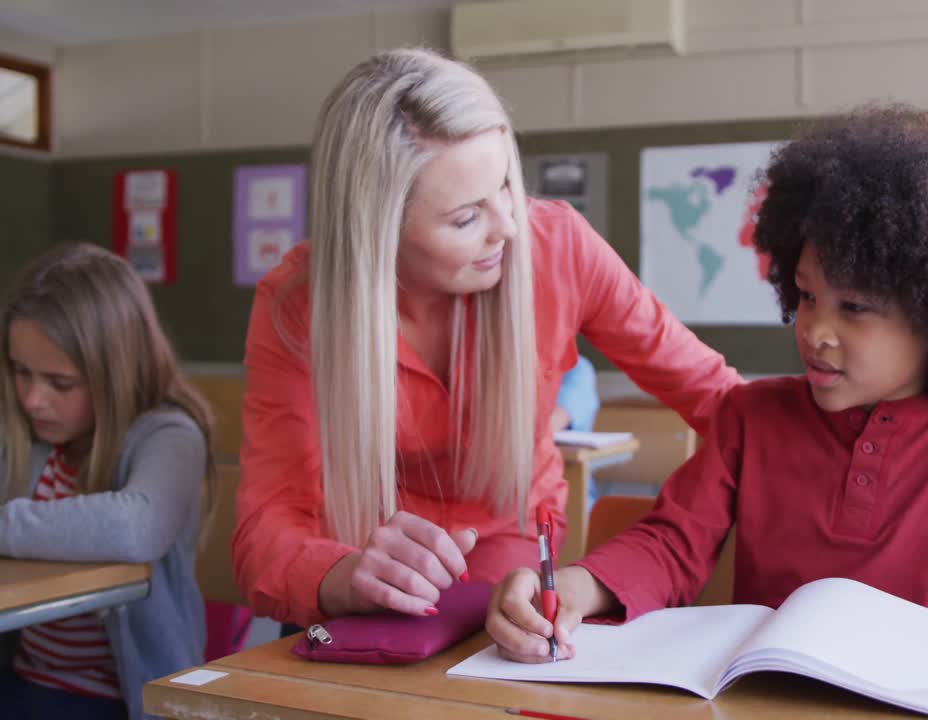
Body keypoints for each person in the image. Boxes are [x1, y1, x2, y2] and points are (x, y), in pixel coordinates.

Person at [485, 105, 928, 720]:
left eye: (855, 308)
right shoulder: (751, 416)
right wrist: (576, 587)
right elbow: (673, 543)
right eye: (809, 296)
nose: (815, 330)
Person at [233, 47, 742, 629]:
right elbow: (266, 529)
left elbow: (719, 398)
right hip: (367, 587)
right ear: (378, 231)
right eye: (465, 217)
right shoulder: (297, 303)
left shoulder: (560, 246)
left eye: (505, 185)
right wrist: (342, 575)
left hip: (514, 567)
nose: (508, 226)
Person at [0, 243, 214, 720]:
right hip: (26, 679)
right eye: (20, 372)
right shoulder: (25, 435)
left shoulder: (169, 434)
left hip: (125, 698)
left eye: (60, 382)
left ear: (116, 373)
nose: (33, 399)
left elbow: (135, 528)